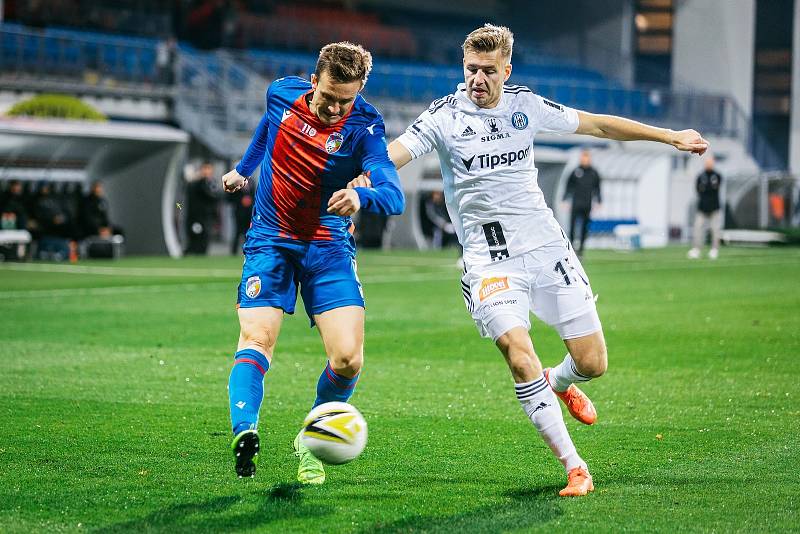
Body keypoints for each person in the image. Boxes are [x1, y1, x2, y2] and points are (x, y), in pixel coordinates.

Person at [349, 24, 708, 497]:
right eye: (471, 69)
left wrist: (669, 136)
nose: (478, 79)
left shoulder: (526, 106)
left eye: (489, 71)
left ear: (507, 69)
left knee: (593, 362)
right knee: (519, 355)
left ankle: (559, 381)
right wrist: (357, 187)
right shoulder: (444, 117)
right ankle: (575, 466)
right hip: (489, 262)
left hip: (546, 247)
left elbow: (598, 124)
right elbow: (392, 155)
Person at [220, 42, 404, 485]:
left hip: (328, 247)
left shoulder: (365, 126)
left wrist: (363, 194)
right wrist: (245, 169)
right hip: (271, 240)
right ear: (313, 80)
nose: (336, 108)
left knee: (347, 360)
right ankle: (245, 431)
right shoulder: (281, 94)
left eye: (347, 99)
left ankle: (309, 438)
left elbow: (394, 194)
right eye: (329, 97)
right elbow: (269, 127)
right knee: (257, 337)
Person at [562, 149, 601, 257]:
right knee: (573, 226)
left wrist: (599, 201)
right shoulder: (575, 171)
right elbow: (569, 186)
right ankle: (572, 248)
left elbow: (597, 188)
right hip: (575, 204)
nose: (585, 159)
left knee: (585, 227)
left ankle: (581, 249)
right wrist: (565, 200)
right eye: (583, 157)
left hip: (587, 204)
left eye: (587, 157)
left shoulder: (594, 173)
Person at [688, 155, 722, 259]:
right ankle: (696, 249)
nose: (709, 164)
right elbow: (699, 190)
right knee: (698, 228)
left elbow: (714, 189)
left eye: (710, 162)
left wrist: (706, 189)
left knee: (715, 229)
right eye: (707, 163)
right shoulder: (700, 176)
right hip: (702, 207)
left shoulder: (717, 175)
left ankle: (714, 249)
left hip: (714, 207)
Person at [184, 162, 218, 255]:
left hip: (207, 215)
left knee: (204, 236)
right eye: (205, 169)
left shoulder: (211, 182)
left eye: (209, 169)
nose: (207, 172)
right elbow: (209, 196)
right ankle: (191, 252)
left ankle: (199, 253)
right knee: (198, 236)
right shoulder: (198, 183)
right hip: (197, 216)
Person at [228, 177, 254, 255]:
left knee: (248, 232)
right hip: (239, 212)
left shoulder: (252, 181)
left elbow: (253, 194)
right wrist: (240, 200)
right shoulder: (236, 182)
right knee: (237, 232)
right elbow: (230, 197)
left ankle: (248, 250)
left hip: (249, 212)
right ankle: (233, 251)